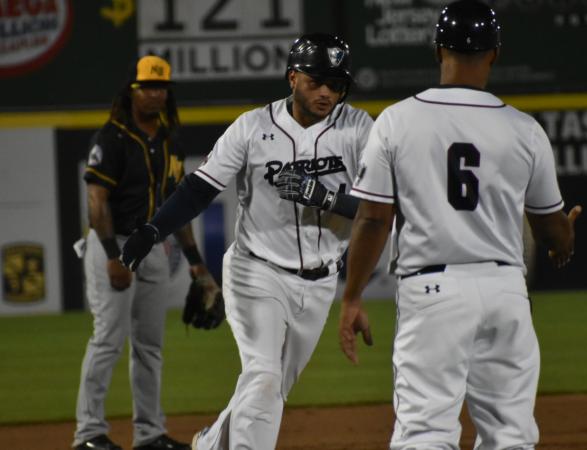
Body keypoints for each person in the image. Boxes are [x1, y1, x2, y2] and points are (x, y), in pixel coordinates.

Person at [338, 2, 582, 449]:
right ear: (495, 54)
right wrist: (563, 237)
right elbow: (551, 231)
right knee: (511, 435)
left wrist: (352, 295)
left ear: (438, 49)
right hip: (505, 290)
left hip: (433, 291)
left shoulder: (396, 120)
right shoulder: (525, 129)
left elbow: (373, 219)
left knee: (425, 433)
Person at [120, 34, 374, 450]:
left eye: (336, 84)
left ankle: (210, 444)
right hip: (257, 272)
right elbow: (199, 188)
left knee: (270, 389)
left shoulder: (359, 128)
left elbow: (380, 207)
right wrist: (153, 230)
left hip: (321, 281)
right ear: (293, 78)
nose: (326, 92)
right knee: (264, 376)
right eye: (316, 81)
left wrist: (324, 197)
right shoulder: (253, 127)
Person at [73, 55, 218, 450]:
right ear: (132, 91)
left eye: (161, 87)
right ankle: (88, 434)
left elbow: (176, 205)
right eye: (147, 87)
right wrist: (112, 256)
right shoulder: (112, 137)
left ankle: (149, 434)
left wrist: (195, 262)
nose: (155, 94)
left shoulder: (170, 139)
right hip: (114, 244)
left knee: (150, 346)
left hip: (153, 247)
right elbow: (96, 201)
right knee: (107, 339)